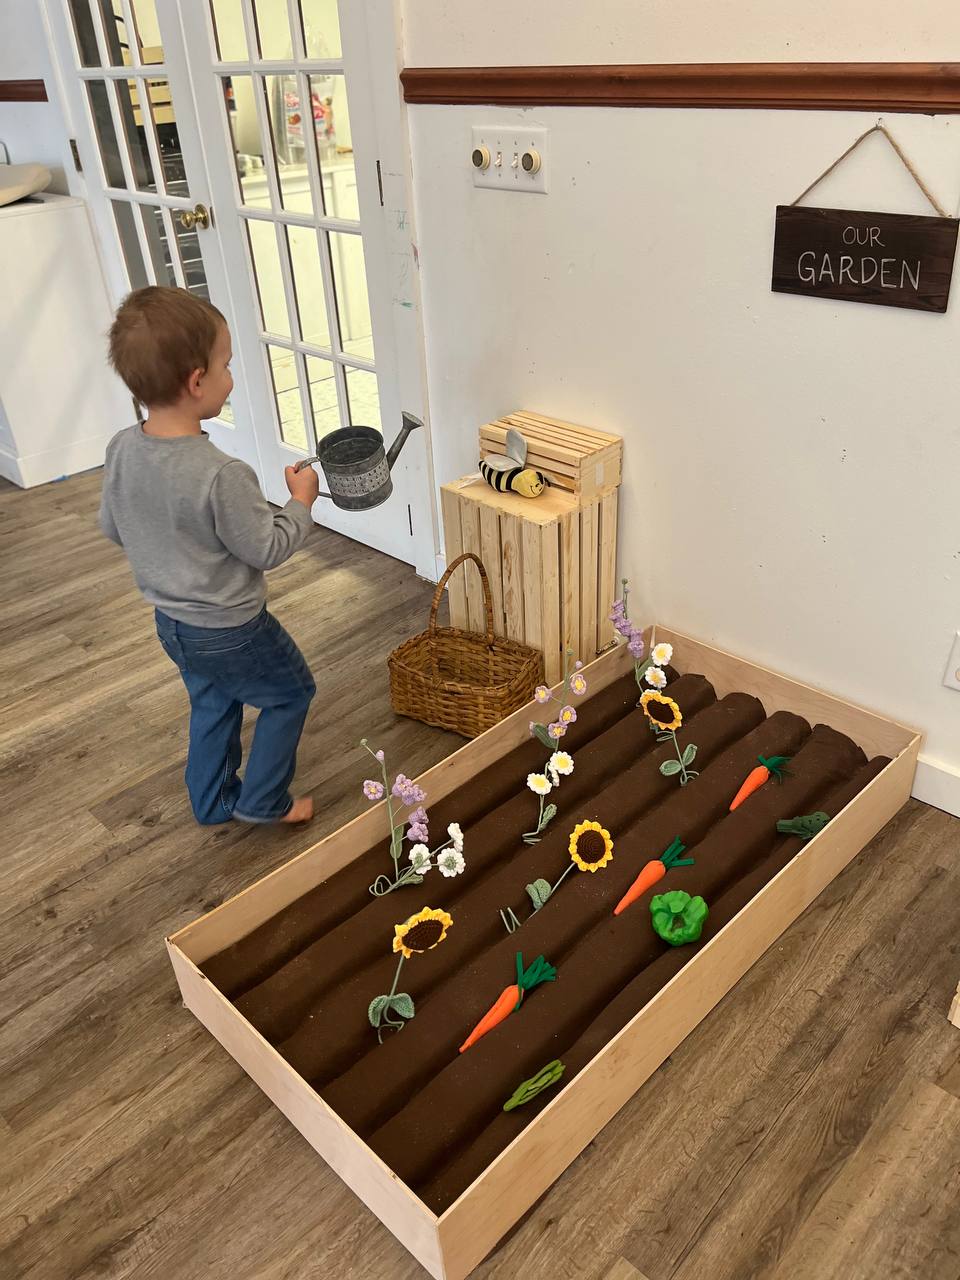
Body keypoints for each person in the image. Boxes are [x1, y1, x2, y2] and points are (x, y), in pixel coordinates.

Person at [99, 286, 320, 826]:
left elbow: (113, 526)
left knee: (214, 702)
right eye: (226, 365)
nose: (231, 377)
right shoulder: (222, 473)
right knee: (290, 694)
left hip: (171, 623)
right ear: (196, 381)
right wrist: (300, 502)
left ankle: (214, 801)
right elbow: (267, 547)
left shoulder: (123, 448)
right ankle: (263, 801)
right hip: (231, 627)